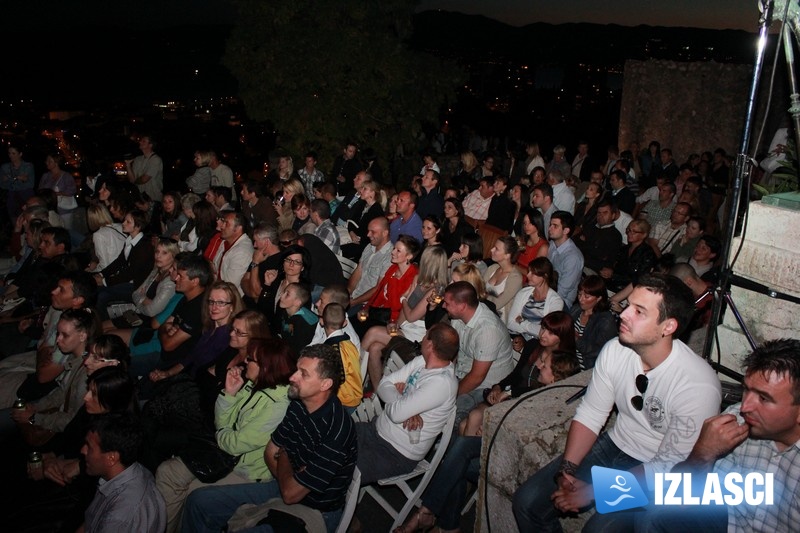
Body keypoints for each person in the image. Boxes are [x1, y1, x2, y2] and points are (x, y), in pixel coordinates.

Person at [512, 274, 722, 532]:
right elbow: (591, 413)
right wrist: (567, 470)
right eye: (628, 305)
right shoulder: (615, 349)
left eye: (639, 311)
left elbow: (669, 468)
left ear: (668, 327)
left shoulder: (697, 384)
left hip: (657, 470)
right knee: (527, 502)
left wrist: (592, 492)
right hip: (615, 444)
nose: (623, 314)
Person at [182, 344, 358, 533]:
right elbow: (270, 452)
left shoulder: (337, 431)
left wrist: (283, 456)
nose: (292, 377)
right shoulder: (298, 404)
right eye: (296, 369)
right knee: (198, 501)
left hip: (316, 511)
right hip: (279, 486)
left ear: (325, 384)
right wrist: (289, 472)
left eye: (303, 374)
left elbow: (290, 494)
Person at [635, 338, 800, 532]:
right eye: (746, 389)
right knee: (654, 514)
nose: (745, 406)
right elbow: (677, 498)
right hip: (727, 524)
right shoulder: (736, 420)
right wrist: (702, 454)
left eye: (763, 398)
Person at [155, 338, 293, 533]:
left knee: (192, 493)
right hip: (228, 455)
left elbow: (234, 443)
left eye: (250, 360)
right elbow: (223, 421)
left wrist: (221, 433)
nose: (245, 362)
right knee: (167, 471)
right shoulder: (254, 384)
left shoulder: (277, 406)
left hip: (247, 472)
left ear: (265, 366)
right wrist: (229, 393)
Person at [357, 323, 459, 485]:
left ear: (430, 345)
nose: (422, 339)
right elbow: (384, 384)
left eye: (425, 336)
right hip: (375, 429)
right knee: (330, 437)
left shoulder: (441, 383)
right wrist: (402, 401)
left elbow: (396, 414)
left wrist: (399, 400)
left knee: (339, 471)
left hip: (394, 452)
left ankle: (332, 510)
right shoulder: (421, 361)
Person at [461, 310, 578, 436]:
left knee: (473, 426)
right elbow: (516, 374)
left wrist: (509, 393)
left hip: (528, 406)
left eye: (551, 333)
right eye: (543, 328)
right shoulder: (533, 346)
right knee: (468, 421)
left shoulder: (564, 362)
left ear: (563, 336)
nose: (543, 334)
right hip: (510, 396)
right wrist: (498, 387)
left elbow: (544, 392)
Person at [363, 244, 448, 392]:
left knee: (373, 332)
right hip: (405, 328)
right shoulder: (419, 279)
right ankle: (377, 390)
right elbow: (406, 311)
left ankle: (350, 372)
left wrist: (404, 301)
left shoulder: (435, 291)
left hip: (416, 336)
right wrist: (394, 323)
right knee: (374, 348)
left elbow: (412, 315)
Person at [443, 281, 515, 425]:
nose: (443, 306)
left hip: (486, 387)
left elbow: (477, 377)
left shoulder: (487, 330)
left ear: (462, 306)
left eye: (447, 303)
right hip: (462, 375)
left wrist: (450, 395)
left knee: (450, 413)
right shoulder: (458, 318)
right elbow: (455, 353)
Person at [82, 414, 166, 532]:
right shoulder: (135, 470)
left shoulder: (121, 517)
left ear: (111, 458)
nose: (83, 450)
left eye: (89, 447)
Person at [149, 281, 244, 383]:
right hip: (187, 378)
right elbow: (190, 358)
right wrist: (168, 373)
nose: (214, 307)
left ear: (232, 307)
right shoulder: (209, 327)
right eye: (211, 301)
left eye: (221, 303)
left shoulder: (229, 338)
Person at [356, 235, 420, 337]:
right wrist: (366, 308)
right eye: (394, 248)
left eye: (398, 251)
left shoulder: (412, 277)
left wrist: (394, 280)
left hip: (391, 320)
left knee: (362, 332)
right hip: (377, 311)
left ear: (409, 256)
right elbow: (379, 290)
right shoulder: (393, 268)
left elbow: (396, 305)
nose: (392, 252)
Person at [507, 256, 565, 341]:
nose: (528, 275)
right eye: (529, 271)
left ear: (544, 276)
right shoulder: (524, 292)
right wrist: (531, 331)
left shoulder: (556, 301)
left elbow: (546, 332)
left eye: (533, 273)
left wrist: (522, 322)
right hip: (517, 337)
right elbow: (510, 323)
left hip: (538, 343)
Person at [321, 303, 362, 413]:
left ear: (322, 321)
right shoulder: (348, 343)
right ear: (345, 323)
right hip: (352, 393)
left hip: (345, 401)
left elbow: (337, 380)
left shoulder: (333, 350)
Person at [570, 275, 618, 370]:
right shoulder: (576, 309)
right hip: (569, 361)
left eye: (587, 296)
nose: (581, 299)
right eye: (579, 294)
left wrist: (577, 340)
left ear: (599, 298)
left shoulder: (605, 321)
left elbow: (599, 351)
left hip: (587, 366)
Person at [603, 219, 658, 293]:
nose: (629, 233)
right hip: (614, 283)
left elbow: (639, 278)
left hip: (630, 289)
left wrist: (613, 275)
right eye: (629, 230)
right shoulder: (625, 249)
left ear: (644, 235)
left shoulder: (647, 254)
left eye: (634, 232)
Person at [546, 210, 583, 309]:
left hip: (561, 302)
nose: (550, 228)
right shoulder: (552, 244)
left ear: (566, 231)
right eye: (550, 225)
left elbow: (562, 291)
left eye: (555, 226)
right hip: (546, 291)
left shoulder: (573, 257)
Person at [484, 236, 524, 321]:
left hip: (500, 320)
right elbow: (479, 291)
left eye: (496, 249)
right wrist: (492, 295)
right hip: (484, 312)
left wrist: (486, 294)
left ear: (507, 255)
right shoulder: (492, 268)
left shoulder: (515, 278)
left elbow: (497, 304)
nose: (491, 250)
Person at [39, 153, 78, 230]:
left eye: (49, 161)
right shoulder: (45, 176)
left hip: (64, 210)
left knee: (67, 231)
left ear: (56, 163)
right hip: (49, 210)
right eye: (47, 161)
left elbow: (72, 190)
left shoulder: (66, 176)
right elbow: (40, 190)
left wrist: (57, 193)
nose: (46, 163)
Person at [277, 282, 318, 356]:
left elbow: (299, 351)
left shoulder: (304, 324)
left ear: (297, 302)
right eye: (284, 292)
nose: (281, 296)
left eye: (287, 294)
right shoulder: (285, 311)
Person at [85, 203, 126, 272]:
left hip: (115, 272)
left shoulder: (98, 235)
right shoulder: (120, 226)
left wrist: (92, 271)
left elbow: (105, 265)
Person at [1, 141, 36, 221]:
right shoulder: (5, 167)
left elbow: (30, 184)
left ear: (20, 154)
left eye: (13, 153)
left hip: (26, 197)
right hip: (12, 198)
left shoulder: (28, 166)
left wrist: (11, 179)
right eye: (9, 153)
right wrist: (18, 179)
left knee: (28, 220)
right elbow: (2, 184)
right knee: (15, 221)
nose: (10, 156)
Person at [125, 134, 163, 202]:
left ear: (150, 145)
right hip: (140, 198)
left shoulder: (155, 160)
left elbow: (144, 179)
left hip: (153, 199)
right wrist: (128, 165)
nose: (140, 142)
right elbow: (131, 179)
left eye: (144, 141)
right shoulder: (138, 159)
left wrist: (135, 182)